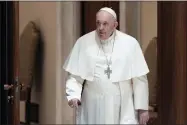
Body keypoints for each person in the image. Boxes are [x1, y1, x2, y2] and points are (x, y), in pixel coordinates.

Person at [63, 7, 149, 124]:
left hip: (122, 104)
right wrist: (73, 95)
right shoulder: (83, 42)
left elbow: (140, 79)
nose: (100, 28)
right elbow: (74, 76)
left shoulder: (130, 44)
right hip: (92, 103)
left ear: (115, 25)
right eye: (98, 23)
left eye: (105, 24)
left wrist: (142, 108)